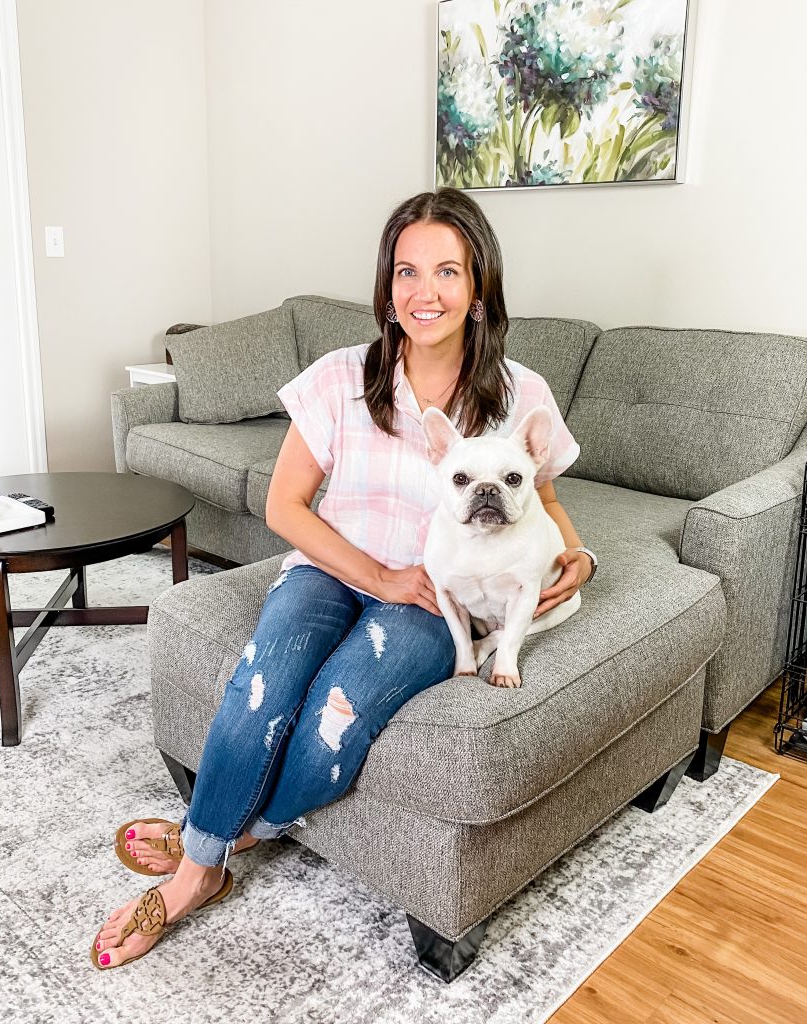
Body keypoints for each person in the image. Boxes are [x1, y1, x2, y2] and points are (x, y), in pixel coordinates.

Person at [91, 187, 597, 969]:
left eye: (446, 272)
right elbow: (284, 506)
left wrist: (580, 554)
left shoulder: (519, 389)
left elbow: (548, 497)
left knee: (336, 717)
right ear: (386, 287)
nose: (423, 292)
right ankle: (202, 867)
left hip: (438, 598)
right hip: (332, 569)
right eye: (405, 272)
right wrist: (378, 576)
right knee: (265, 681)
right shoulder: (339, 377)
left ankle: (222, 846)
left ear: (478, 286)